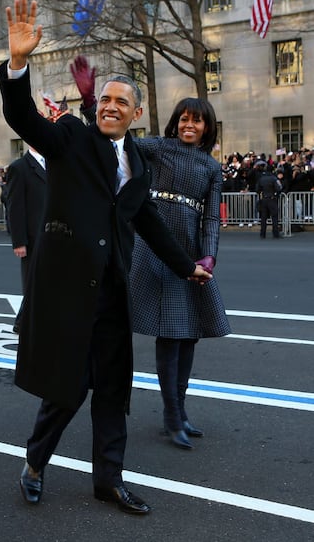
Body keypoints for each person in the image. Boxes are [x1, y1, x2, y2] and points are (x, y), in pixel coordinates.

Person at [0, 0, 211, 515]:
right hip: (70, 292)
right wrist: (18, 65)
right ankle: (35, 461)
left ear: (137, 114)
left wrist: (189, 266)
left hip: (115, 292)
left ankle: (108, 480)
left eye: (122, 102)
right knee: (68, 391)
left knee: (114, 391)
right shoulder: (70, 138)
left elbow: (147, 221)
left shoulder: (139, 160)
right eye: (105, 99)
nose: (111, 106)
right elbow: (24, 117)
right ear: (96, 108)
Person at [71, 56, 231, 450]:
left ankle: (179, 411)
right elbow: (110, 134)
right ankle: (171, 415)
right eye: (184, 119)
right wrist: (91, 103)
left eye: (197, 120)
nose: (189, 125)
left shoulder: (212, 168)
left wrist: (208, 257)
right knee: (169, 333)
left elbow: (211, 218)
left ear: (208, 127)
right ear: (174, 122)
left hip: (190, 254)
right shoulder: (156, 148)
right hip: (156, 249)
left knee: (188, 334)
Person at [6, 145, 47, 334]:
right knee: (32, 282)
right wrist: (19, 241)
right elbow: (15, 207)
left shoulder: (54, 163)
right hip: (33, 235)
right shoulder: (19, 167)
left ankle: (27, 321)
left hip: (54, 234)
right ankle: (23, 323)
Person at [255, 162, 282, 238]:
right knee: (274, 217)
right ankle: (275, 234)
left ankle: (262, 234)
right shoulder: (274, 178)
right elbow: (279, 188)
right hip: (272, 198)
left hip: (264, 199)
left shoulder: (261, 178)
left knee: (263, 218)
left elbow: (257, 189)